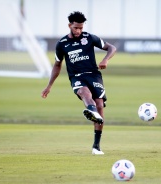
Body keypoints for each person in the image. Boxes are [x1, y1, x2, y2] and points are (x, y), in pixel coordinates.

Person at [41, 11, 116, 155]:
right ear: (70, 25)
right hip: (76, 77)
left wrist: (106, 59)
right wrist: (49, 85)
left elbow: (112, 48)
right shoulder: (62, 44)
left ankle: (96, 146)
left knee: (100, 105)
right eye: (76, 28)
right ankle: (91, 110)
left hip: (94, 76)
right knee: (84, 93)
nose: (79, 30)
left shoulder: (89, 38)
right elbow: (57, 65)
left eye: (81, 28)